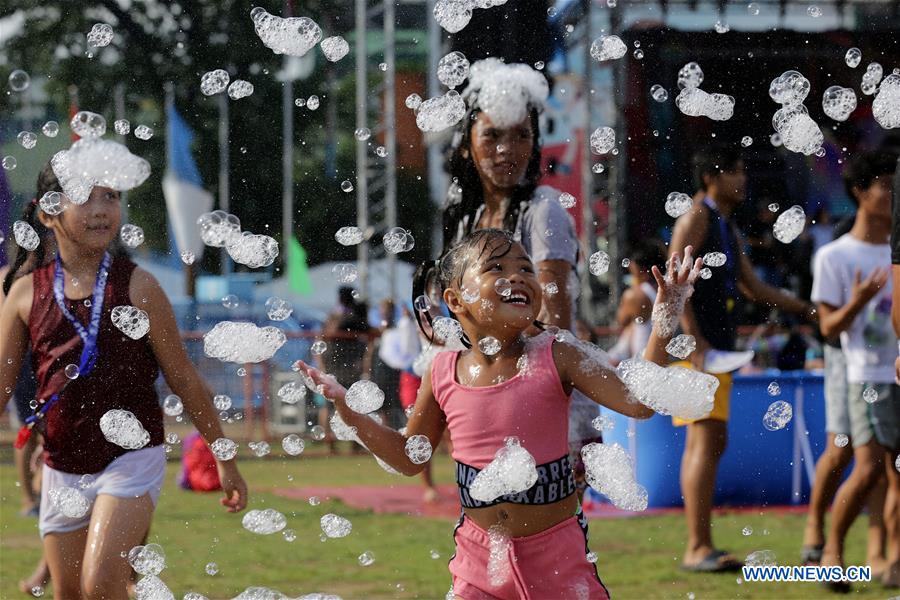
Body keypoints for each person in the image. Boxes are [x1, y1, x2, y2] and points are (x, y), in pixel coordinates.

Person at [296, 228, 704, 598]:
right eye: (496, 268)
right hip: (478, 561)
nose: (517, 276)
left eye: (525, 267)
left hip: (558, 559)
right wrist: (348, 410)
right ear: (455, 300)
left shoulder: (557, 354)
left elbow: (638, 402)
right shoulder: (441, 370)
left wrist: (666, 315)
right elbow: (408, 456)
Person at [0, 155, 248, 599]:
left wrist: (224, 458)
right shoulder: (23, 293)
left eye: (111, 196)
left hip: (131, 459)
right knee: (70, 594)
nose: (100, 209)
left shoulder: (140, 287)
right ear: (47, 212)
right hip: (61, 462)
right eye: (84, 196)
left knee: (101, 586)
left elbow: (186, 380)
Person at [442, 58, 600, 501]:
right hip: (493, 397)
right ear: (467, 142)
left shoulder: (543, 210)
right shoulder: (467, 218)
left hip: (543, 403)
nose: (506, 150)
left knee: (549, 548)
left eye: (521, 135)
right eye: (492, 135)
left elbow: (553, 322)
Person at [669, 144, 817, 572]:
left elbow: (753, 287)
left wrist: (806, 308)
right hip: (700, 351)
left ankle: (702, 544)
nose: (743, 180)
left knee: (712, 440)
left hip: (714, 351)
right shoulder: (698, 216)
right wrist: (694, 343)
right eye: (735, 171)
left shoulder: (723, 224)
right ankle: (697, 547)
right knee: (704, 440)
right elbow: (675, 275)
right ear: (712, 177)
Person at [814, 150, 899, 590]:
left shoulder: (896, 252)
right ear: (860, 192)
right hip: (866, 374)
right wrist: (861, 299)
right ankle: (831, 550)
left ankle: (892, 562)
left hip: (898, 373)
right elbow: (828, 327)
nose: (893, 194)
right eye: (886, 184)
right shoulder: (835, 256)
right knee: (867, 469)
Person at [803, 212, 887, 573]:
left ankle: (876, 550)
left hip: (882, 369)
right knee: (840, 451)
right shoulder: (837, 252)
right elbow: (828, 326)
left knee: (879, 463)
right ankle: (815, 529)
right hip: (845, 363)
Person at [315, 286, 371, 454]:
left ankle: (347, 443)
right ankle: (331, 442)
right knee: (337, 405)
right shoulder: (344, 317)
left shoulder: (334, 316)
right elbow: (369, 330)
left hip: (342, 365)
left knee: (340, 405)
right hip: (342, 366)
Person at [609, 240, 666, 363]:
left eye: (633, 273)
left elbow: (621, 320)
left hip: (641, 362)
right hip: (664, 359)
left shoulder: (634, 295)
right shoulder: (669, 290)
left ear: (644, 272)